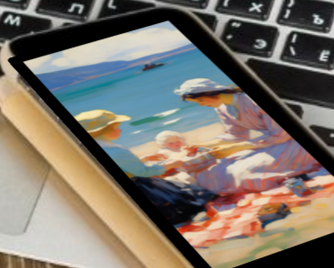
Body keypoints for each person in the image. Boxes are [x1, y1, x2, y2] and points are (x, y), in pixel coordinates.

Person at [175, 76, 327, 192]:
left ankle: (302, 176)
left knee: (243, 171)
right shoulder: (222, 107)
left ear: (212, 92)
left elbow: (281, 134)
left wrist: (236, 148)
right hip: (269, 142)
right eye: (198, 103)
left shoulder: (251, 100)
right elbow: (236, 135)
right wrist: (201, 145)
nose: (202, 105)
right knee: (224, 168)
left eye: (201, 100)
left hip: (294, 141)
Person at [75, 106, 216, 220]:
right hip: (140, 186)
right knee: (189, 200)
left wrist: (145, 158)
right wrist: (170, 164)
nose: (120, 130)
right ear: (105, 131)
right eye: (116, 128)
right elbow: (144, 172)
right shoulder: (116, 151)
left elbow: (121, 165)